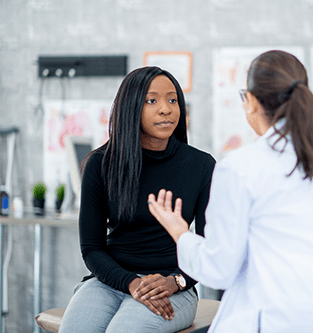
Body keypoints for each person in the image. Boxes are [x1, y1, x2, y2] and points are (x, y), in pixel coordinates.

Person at [145, 50, 313, 333]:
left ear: (251, 101)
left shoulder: (241, 168)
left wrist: (180, 232)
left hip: (279, 321)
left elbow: (219, 271)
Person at [59, 66, 216, 333]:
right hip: (110, 282)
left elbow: (211, 248)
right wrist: (132, 283)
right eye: (151, 100)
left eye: (172, 100)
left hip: (175, 286)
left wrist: (176, 282)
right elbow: (92, 248)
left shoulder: (201, 165)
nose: (166, 109)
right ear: (131, 107)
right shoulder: (100, 164)